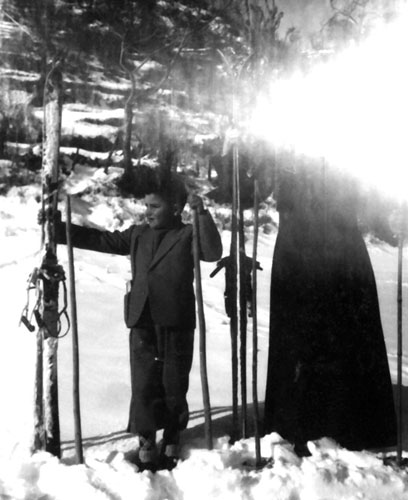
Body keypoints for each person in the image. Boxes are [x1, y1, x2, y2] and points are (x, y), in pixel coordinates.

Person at [52, 173, 223, 469]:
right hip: (141, 317)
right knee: (143, 383)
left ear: (175, 208)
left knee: (173, 382)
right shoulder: (138, 234)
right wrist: (58, 229)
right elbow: (101, 239)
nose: (147, 212)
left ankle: (172, 434)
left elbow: (212, 252)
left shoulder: (187, 234)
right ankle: (146, 437)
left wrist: (203, 215)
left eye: (154, 207)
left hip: (176, 321)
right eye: (145, 206)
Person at [263, 152, 397, 456]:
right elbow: (257, 179)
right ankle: (297, 422)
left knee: (344, 331)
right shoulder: (285, 146)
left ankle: (348, 425)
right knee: (299, 334)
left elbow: (374, 191)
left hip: (341, 249)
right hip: (297, 249)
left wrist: (392, 214)